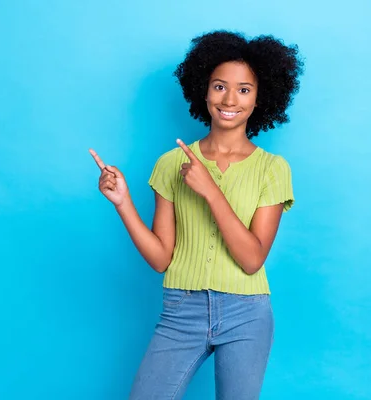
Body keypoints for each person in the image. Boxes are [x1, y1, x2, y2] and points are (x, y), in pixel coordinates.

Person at [89, 30, 303, 400]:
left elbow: (252, 260)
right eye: (220, 86)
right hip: (180, 310)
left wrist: (210, 190)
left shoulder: (272, 169)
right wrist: (122, 202)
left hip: (246, 315)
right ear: (203, 90)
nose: (230, 99)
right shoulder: (171, 164)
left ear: (259, 98)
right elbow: (160, 259)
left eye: (244, 89)